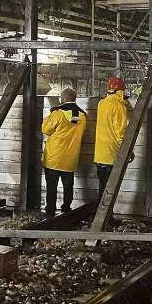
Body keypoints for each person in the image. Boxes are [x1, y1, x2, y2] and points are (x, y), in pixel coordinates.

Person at [41, 88, 87, 216]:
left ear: (64, 99)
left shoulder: (58, 114)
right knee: (68, 186)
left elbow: (45, 129)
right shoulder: (82, 116)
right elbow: (81, 133)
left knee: (52, 186)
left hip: (54, 158)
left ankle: (50, 210)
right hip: (70, 158)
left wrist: (48, 117)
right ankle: (66, 209)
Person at [94, 77, 131, 197]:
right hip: (112, 154)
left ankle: (100, 214)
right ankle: (106, 215)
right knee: (109, 190)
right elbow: (120, 133)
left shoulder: (101, 103)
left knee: (102, 187)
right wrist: (129, 151)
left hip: (99, 154)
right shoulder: (119, 107)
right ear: (120, 91)